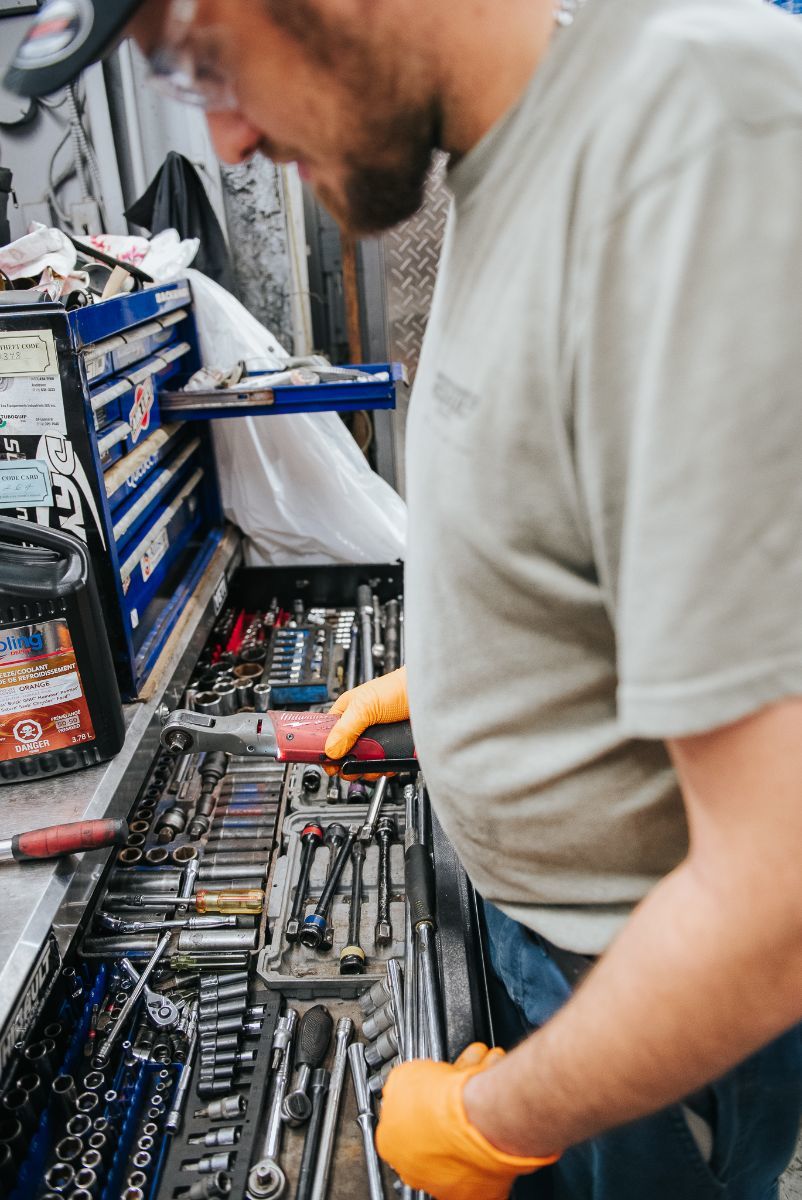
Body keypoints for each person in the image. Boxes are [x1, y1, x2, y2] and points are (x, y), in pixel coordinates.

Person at [8, 1, 802, 1196]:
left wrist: (496, 1118)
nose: (221, 142)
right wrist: (461, 680)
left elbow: (777, 894)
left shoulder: (694, 126)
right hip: (543, 946)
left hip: (647, 1011)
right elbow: (617, 536)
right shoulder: (509, 163)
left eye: (207, 58)